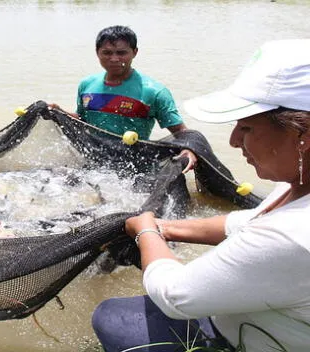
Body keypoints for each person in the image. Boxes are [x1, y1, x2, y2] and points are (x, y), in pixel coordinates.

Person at [91, 39, 310, 352]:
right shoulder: (297, 183)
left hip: (249, 337)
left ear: (302, 135)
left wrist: (145, 230)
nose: (234, 141)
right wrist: (165, 227)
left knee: (112, 318)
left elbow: (175, 296)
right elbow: (246, 221)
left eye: (246, 128)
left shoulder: (294, 234)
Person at [50, 25, 196, 172]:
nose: (114, 59)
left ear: (135, 52)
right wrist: (59, 112)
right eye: (107, 53)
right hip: (95, 161)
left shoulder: (154, 92)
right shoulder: (87, 85)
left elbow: (180, 132)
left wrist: (188, 150)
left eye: (121, 53)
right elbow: (83, 121)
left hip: (136, 165)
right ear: (97, 53)